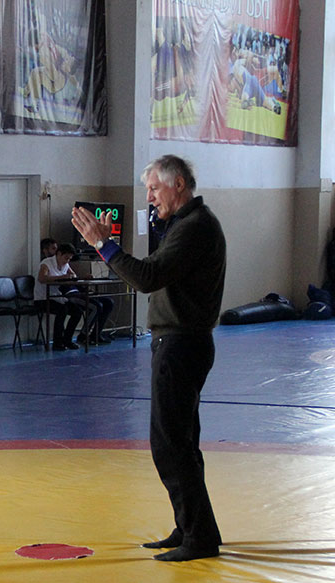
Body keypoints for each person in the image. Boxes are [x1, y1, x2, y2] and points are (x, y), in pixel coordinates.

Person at [71, 155, 225, 562]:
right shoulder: (188, 224)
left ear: (178, 185)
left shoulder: (194, 227)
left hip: (181, 344)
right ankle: (192, 527)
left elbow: (146, 277)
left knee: (170, 443)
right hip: (181, 342)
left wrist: (103, 244)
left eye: (154, 189)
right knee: (182, 442)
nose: (150, 198)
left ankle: (199, 536)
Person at [36, 243, 95, 351]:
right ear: (59, 254)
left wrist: (82, 277)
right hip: (43, 298)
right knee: (62, 310)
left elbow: (73, 276)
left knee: (77, 311)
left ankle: (67, 340)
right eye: (66, 258)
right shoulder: (46, 263)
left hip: (58, 297)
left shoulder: (66, 265)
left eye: (69, 259)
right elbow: (42, 278)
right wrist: (62, 277)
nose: (67, 261)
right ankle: (57, 342)